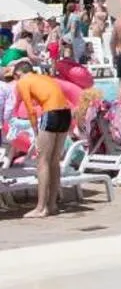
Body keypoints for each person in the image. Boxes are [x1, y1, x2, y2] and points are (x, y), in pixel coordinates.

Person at [8, 61, 73, 219]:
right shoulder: (44, 78)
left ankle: (40, 208)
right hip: (65, 114)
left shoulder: (23, 82)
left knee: (42, 161)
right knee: (54, 160)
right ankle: (52, 205)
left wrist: (36, 134)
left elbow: (30, 110)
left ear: (18, 73)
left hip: (51, 113)